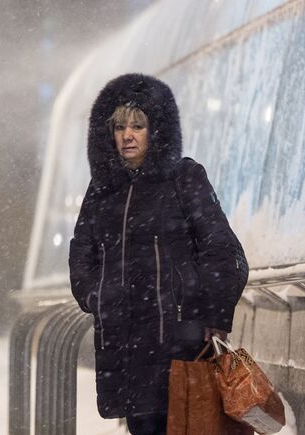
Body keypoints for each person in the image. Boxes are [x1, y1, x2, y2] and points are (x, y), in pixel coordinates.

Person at [68, 74, 247, 435]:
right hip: (124, 346)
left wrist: (210, 314)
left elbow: (225, 253)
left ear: (157, 131)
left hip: (181, 345)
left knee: (185, 424)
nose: (127, 135)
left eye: (138, 125)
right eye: (119, 127)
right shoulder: (102, 191)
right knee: (142, 426)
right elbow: (81, 254)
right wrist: (97, 296)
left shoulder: (184, 177)